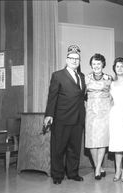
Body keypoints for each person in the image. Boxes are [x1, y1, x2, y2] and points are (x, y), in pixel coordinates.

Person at [43, 45, 86, 185]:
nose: (74, 61)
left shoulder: (82, 76)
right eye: (71, 58)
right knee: (58, 148)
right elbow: (52, 97)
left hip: (78, 119)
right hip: (62, 118)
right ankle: (57, 175)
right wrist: (49, 114)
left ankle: (73, 173)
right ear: (66, 60)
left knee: (74, 148)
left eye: (77, 59)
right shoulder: (58, 75)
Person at [85, 53, 112, 180]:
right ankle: (98, 167)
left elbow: (112, 96)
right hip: (91, 113)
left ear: (103, 64)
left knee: (102, 141)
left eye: (98, 63)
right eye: (94, 63)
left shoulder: (109, 78)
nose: (96, 66)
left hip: (104, 113)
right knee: (91, 142)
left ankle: (97, 169)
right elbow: (81, 96)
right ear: (91, 65)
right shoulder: (86, 78)